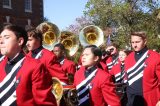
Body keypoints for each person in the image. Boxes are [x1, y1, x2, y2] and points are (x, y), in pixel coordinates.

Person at [0, 24, 57, 106]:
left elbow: (45, 103)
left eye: (6, 37)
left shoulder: (35, 66)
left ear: (20, 41)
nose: (1, 41)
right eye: (0, 38)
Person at [124, 31, 160, 106]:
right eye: (132, 42)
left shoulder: (155, 57)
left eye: (137, 42)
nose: (134, 45)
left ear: (145, 41)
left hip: (149, 99)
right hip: (132, 99)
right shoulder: (128, 58)